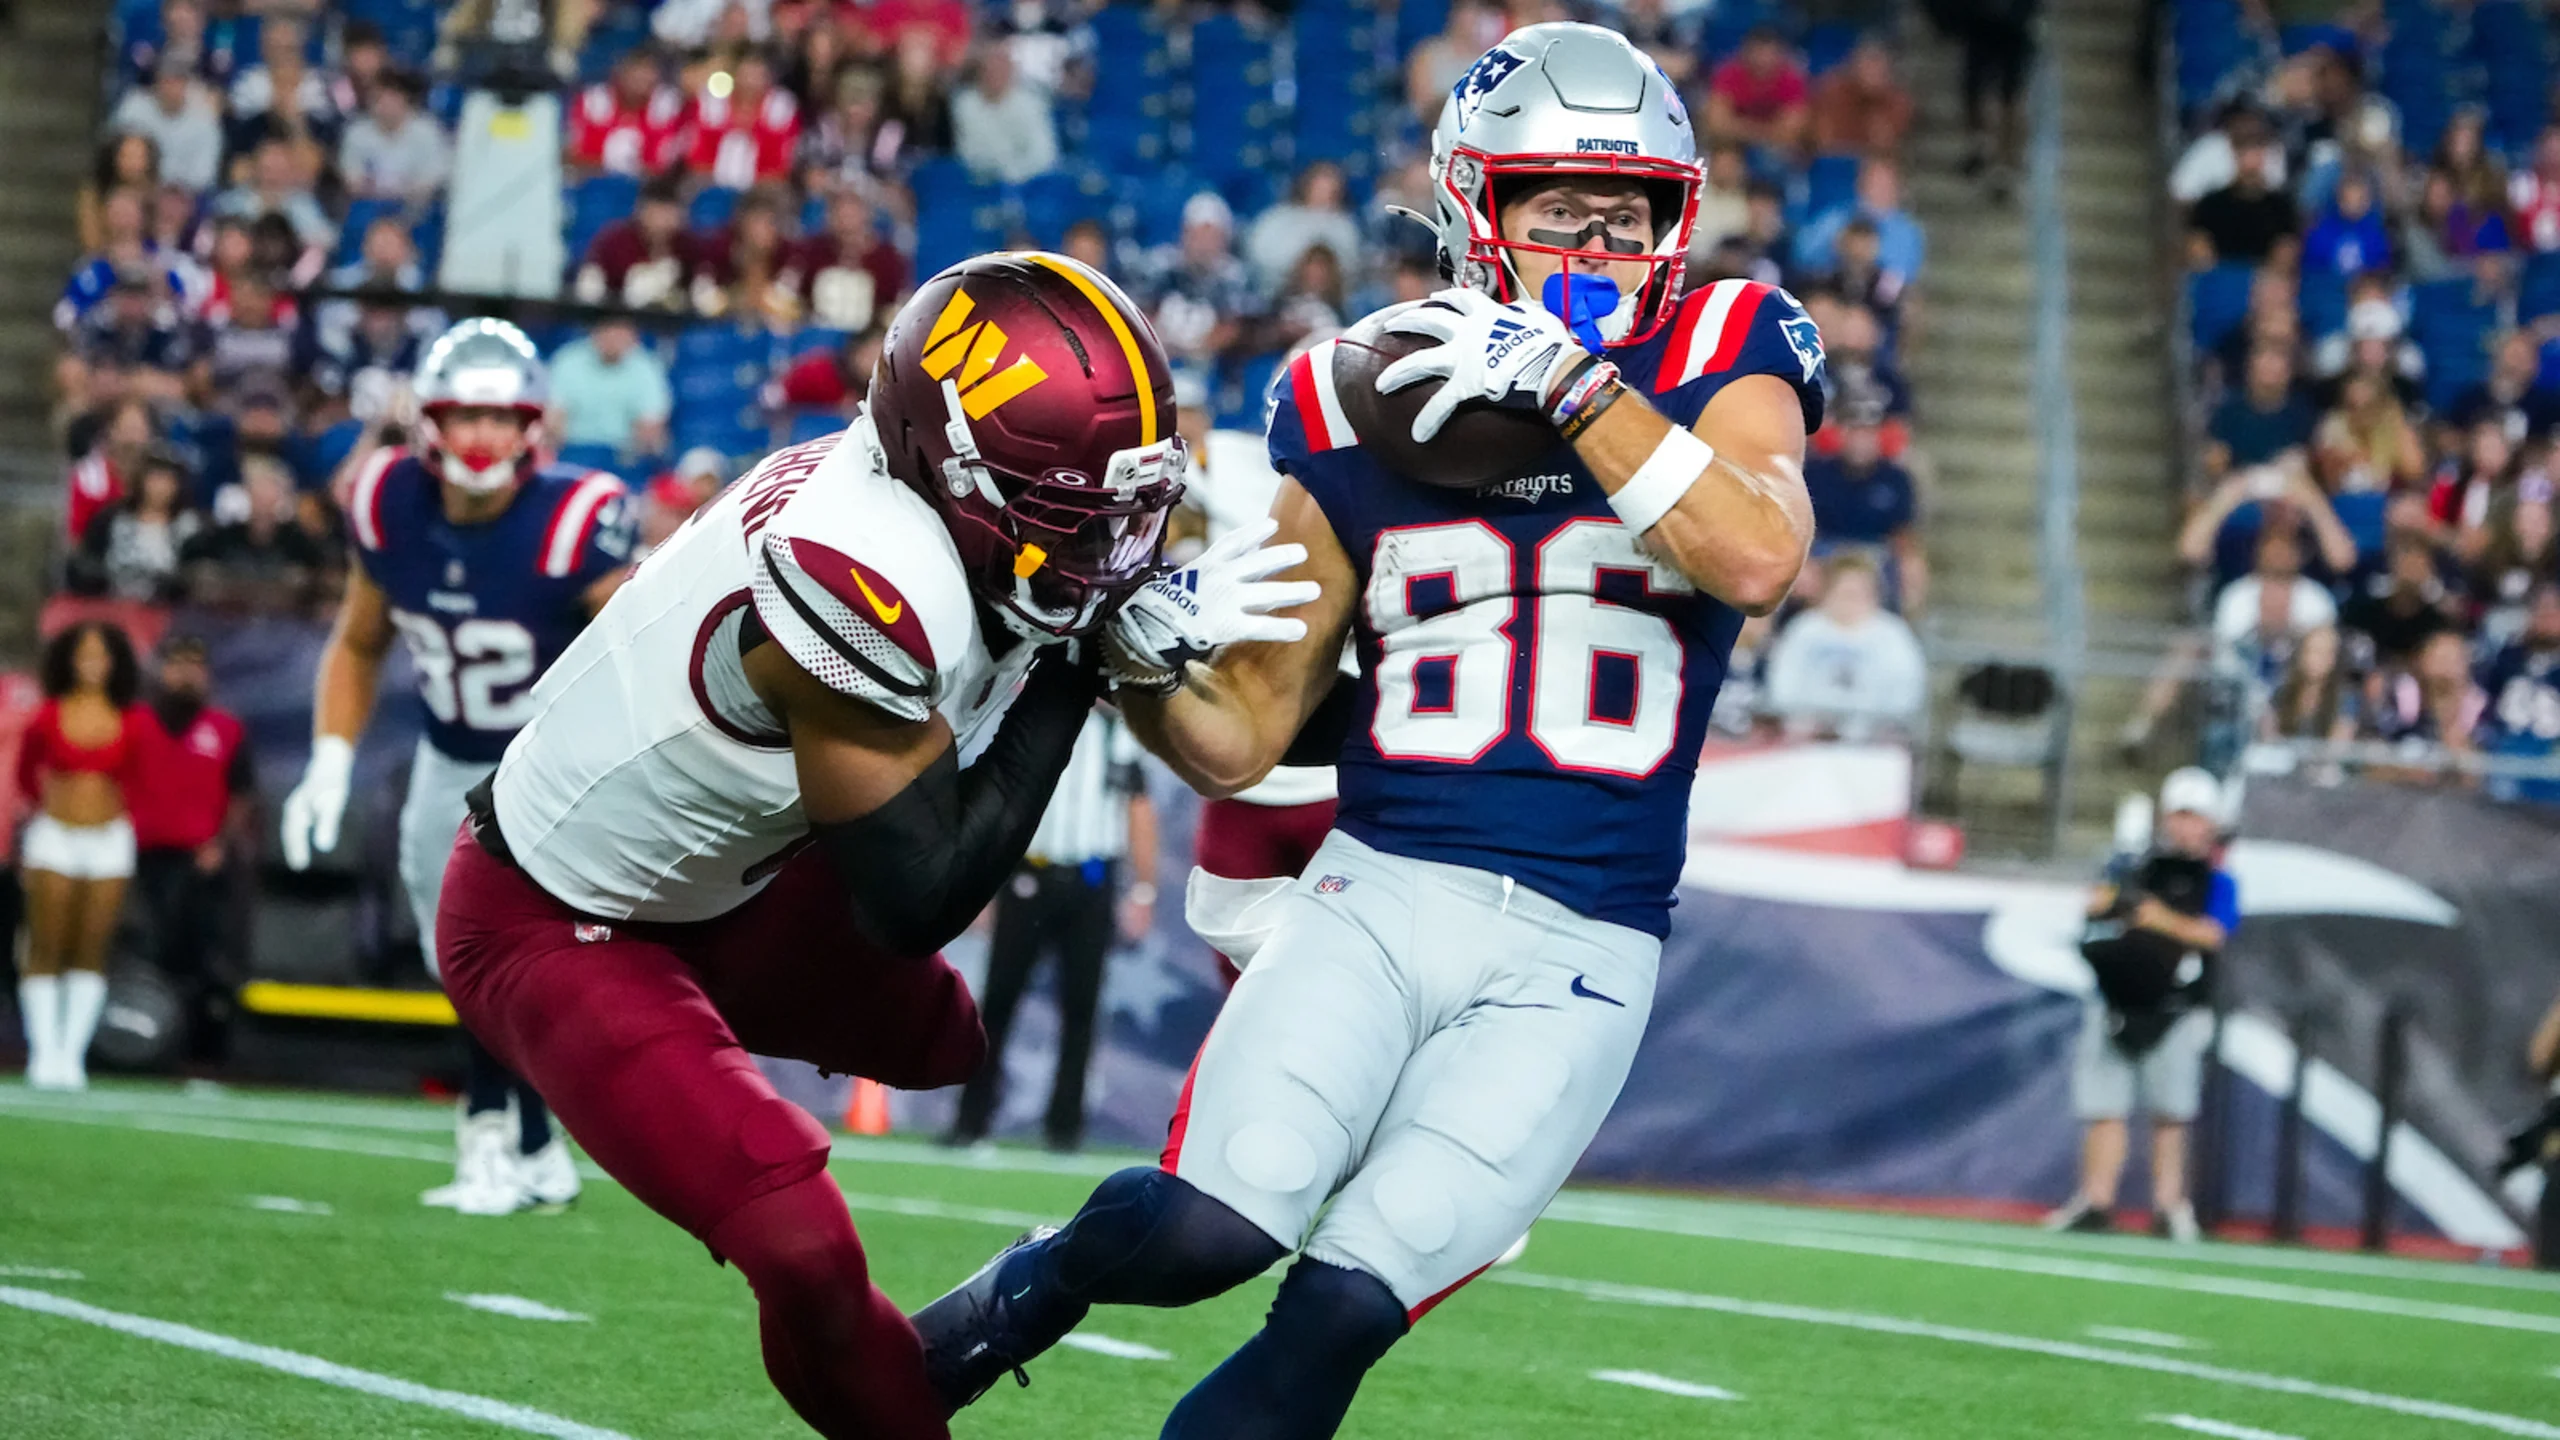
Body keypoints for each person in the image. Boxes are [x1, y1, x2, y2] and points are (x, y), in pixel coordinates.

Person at [912, 26, 1827, 1436]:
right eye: (1558, 206)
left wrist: (1576, 389)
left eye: (1629, 208)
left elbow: (1759, 556)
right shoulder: (1350, 391)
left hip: (1585, 947)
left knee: (1339, 1310)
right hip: (1379, 892)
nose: (1599, 236)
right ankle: (1034, 1288)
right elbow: (1240, 739)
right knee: (1208, 1231)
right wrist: (1133, 646)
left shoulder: (1724, 345)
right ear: (1477, 206)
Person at [431, 253, 1215, 1438]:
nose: (1111, 547)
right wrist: (1079, 660)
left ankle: (698, 1074)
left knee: (946, 1039)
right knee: (798, 1244)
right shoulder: (861, 568)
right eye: (1073, 515)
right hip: (557, 917)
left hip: (734, 874)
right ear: (955, 470)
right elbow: (916, 898)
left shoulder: (917, 498)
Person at [280, 320, 634, 1216]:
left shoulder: (574, 519)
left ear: (532, 427)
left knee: (501, 958)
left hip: (551, 766)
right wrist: (328, 762)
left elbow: (642, 649)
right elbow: (359, 643)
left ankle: (492, 1139)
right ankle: (531, 1139)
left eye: (500, 417)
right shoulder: (388, 502)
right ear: (426, 422)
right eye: (461, 416)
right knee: (462, 966)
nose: (481, 438)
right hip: (449, 761)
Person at [948, 706, 1157, 1152]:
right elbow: (999, 802)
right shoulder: (1029, 720)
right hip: (1027, 877)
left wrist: (1143, 889)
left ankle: (1064, 1131)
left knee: (1081, 1010)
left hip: (1091, 882)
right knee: (999, 1002)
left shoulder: (1116, 731)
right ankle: (971, 1122)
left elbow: (1137, 805)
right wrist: (979, 887)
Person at [2047, 767, 2239, 1242]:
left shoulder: (2218, 880)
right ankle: (2096, 1199)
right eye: (2178, 815)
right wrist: (2116, 901)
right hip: (2117, 1000)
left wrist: (2154, 918)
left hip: (2172, 1006)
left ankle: (2169, 1206)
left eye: (2194, 816)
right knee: (2104, 1106)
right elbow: (2096, 904)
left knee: (2170, 1113)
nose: (2184, 826)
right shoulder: (2132, 864)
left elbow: (2212, 934)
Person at [13, 623, 145, 1091]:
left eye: (101, 655)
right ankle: (43, 1050)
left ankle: (72, 1054)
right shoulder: (49, 715)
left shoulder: (131, 719)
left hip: (108, 839)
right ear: (69, 660)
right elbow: (27, 775)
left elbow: (140, 779)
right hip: (55, 836)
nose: (92, 664)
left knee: (91, 944)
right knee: (46, 941)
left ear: (115, 663)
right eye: (84, 654)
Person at [126, 634, 253, 1066]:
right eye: (177, 664)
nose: (186, 674)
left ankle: (203, 1058)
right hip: (138, 860)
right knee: (143, 954)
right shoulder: (134, 722)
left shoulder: (225, 729)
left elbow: (240, 795)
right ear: (159, 669)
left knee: (204, 962)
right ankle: (138, 1047)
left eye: (195, 665)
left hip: (200, 861)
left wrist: (219, 843)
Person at [1761, 554, 1927, 739]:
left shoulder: (1894, 635)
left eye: (1858, 589)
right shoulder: (1804, 629)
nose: (1850, 596)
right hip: (1806, 737)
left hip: (1873, 740)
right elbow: (1782, 684)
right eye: (1844, 589)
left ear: (1874, 592)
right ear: (1828, 590)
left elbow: (1905, 691)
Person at [70, 442, 201, 604]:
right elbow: (88, 562)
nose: (160, 487)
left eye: (167, 480)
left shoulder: (190, 527)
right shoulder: (110, 520)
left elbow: (194, 576)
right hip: (112, 606)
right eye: (154, 478)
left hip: (169, 612)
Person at [545, 316, 672, 462]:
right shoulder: (567, 360)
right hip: (574, 449)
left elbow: (651, 423)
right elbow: (554, 415)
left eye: (621, 333)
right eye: (608, 331)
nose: (613, 339)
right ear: (596, 332)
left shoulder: (647, 366)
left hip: (623, 454)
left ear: (633, 337)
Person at [949, 40, 1057, 186]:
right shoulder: (964, 105)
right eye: (990, 68)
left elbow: (1044, 154)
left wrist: (1013, 175)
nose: (996, 74)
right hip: (980, 183)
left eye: (1002, 68)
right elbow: (967, 152)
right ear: (981, 72)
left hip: (1029, 183)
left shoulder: (1030, 103)